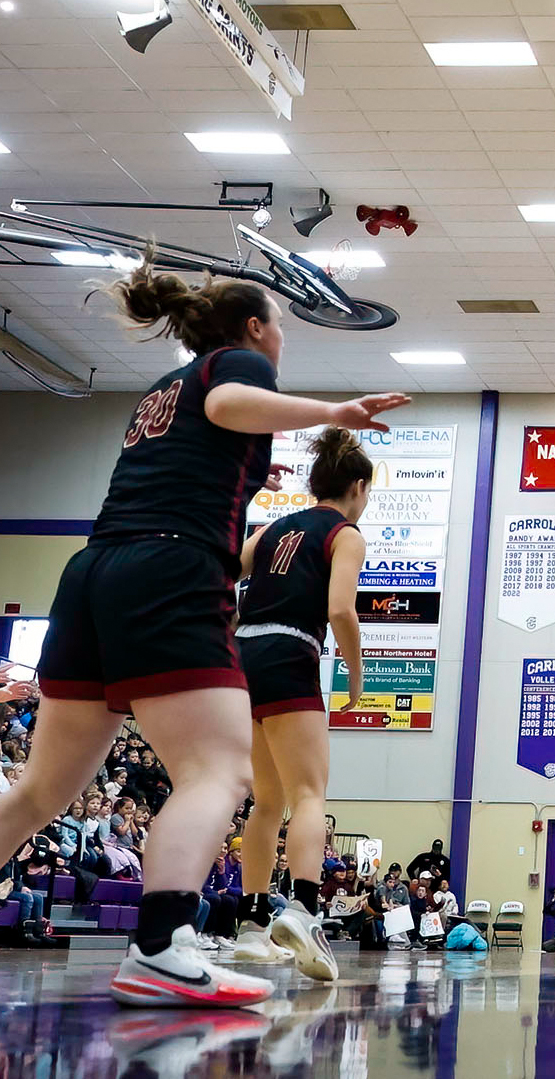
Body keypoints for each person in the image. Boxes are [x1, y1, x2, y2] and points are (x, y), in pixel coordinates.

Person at [0, 252, 408, 1007]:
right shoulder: (239, 363)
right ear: (254, 326)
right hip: (171, 571)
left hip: (94, 570)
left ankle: (193, 934)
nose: (280, 339)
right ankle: (160, 945)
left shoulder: (163, 387)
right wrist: (336, 412)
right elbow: (228, 408)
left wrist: (254, 478)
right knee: (219, 774)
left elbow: (208, 442)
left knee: (42, 791)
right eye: (279, 325)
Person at [230, 427, 372, 983]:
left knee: (265, 802)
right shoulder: (345, 534)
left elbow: (222, 576)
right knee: (309, 794)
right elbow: (340, 611)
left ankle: (250, 925)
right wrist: (356, 673)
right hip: (291, 651)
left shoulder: (269, 529)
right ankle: (304, 911)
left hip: (243, 655)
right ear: (357, 487)